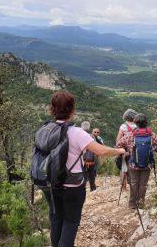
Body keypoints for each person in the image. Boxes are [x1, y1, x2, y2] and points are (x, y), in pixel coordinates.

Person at [44, 91, 125, 247]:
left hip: (50, 184)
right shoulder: (76, 132)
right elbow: (101, 151)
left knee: (56, 219)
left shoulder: (47, 128)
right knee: (70, 222)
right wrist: (119, 151)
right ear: (72, 109)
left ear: (52, 109)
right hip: (72, 186)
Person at [116, 113, 157, 209]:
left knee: (134, 182)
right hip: (147, 164)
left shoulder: (131, 135)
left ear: (135, 123)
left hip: (133, 164)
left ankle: (132, 204)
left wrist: (126, 151)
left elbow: (118, 144)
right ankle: (141, 203)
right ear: (146, 123)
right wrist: (153, 149)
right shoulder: (151, 134)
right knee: (143, 184)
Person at [115, 109, 137, 190]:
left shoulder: (123, 126)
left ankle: (123, 187)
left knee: (124, 168)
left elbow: (118, 140)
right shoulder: (137, 126)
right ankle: (133, 186)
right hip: (136, 151)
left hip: (126, 151)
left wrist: (120, 150)